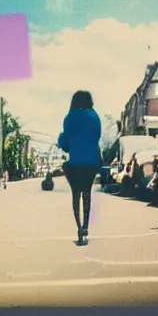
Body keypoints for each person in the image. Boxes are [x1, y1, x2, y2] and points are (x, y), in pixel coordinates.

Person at [58, 90, 101, 246]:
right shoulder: (95, 117)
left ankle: (79, 230)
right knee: (87, 194)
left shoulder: (71, 118)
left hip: (76, 162)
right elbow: (96, 139)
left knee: (76, 195)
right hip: (92, 162)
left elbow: (66, 145)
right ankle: (86, 227)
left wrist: (60, 139)